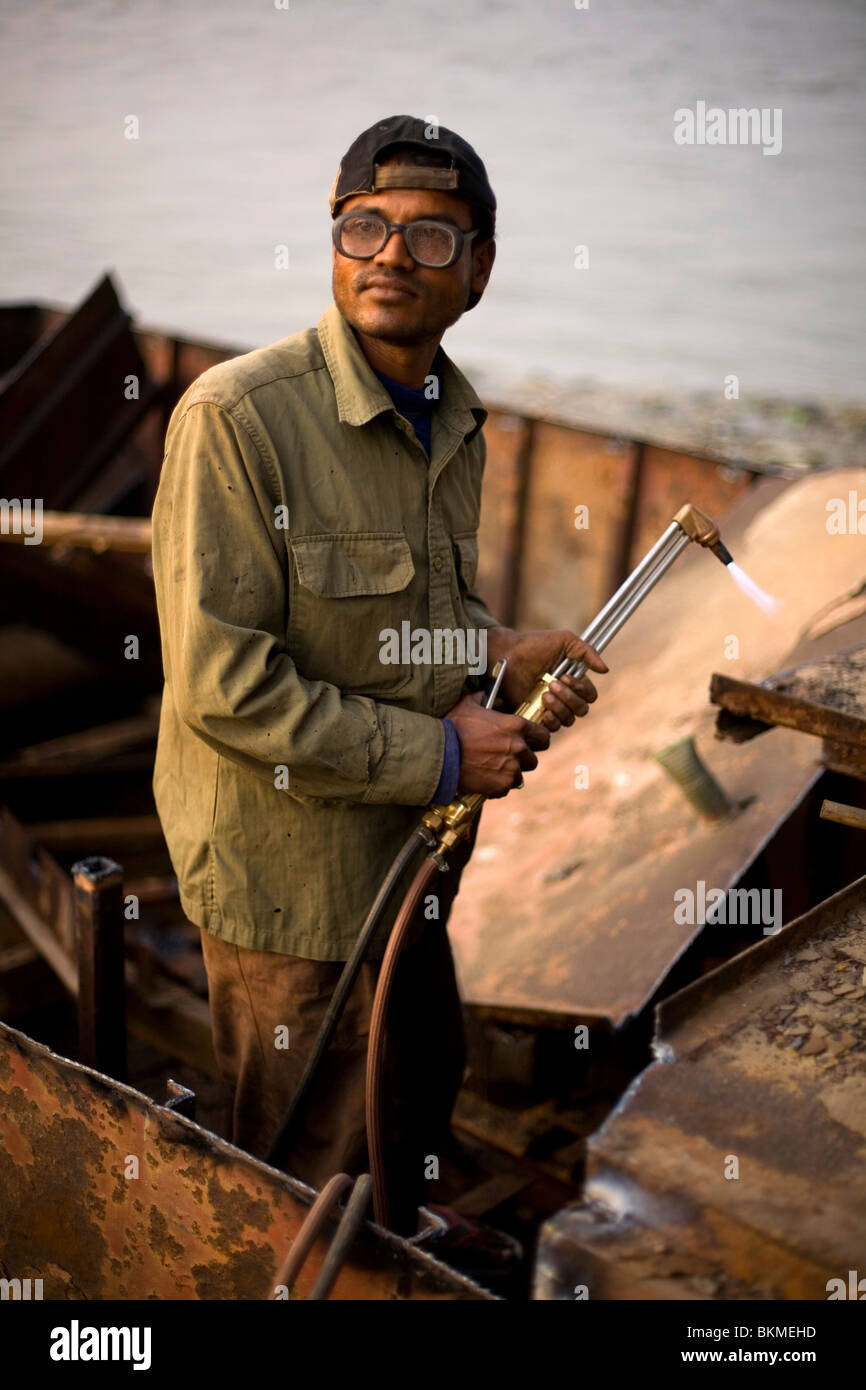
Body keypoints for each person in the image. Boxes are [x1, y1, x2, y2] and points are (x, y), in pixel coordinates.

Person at [151, 115, 607, 1243]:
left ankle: (396, 1243)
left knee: (415, 1082)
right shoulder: (236, 420)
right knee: (305, 1160)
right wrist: (446, 753)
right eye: (366, 227)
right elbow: (224, 685)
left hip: (406, 855)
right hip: (287, 879)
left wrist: (496, 652)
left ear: (480, 269)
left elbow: (397, 618)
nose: (391, 256)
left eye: (430, 238)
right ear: (334, 242)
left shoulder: (452, 418)